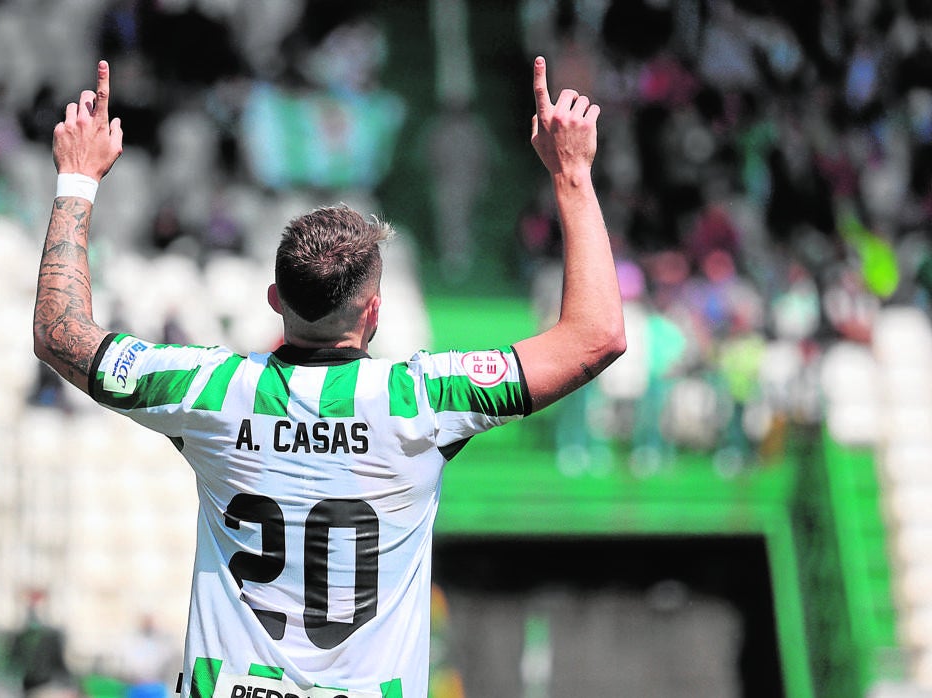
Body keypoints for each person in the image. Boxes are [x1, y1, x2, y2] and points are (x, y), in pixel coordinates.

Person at [33, 58, 623, 698]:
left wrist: (77, 178)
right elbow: (597, 337)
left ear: (274, 300)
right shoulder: (421, 401)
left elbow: (60, 334)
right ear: (374, 311)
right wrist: (571, 175)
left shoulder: (210, 390)